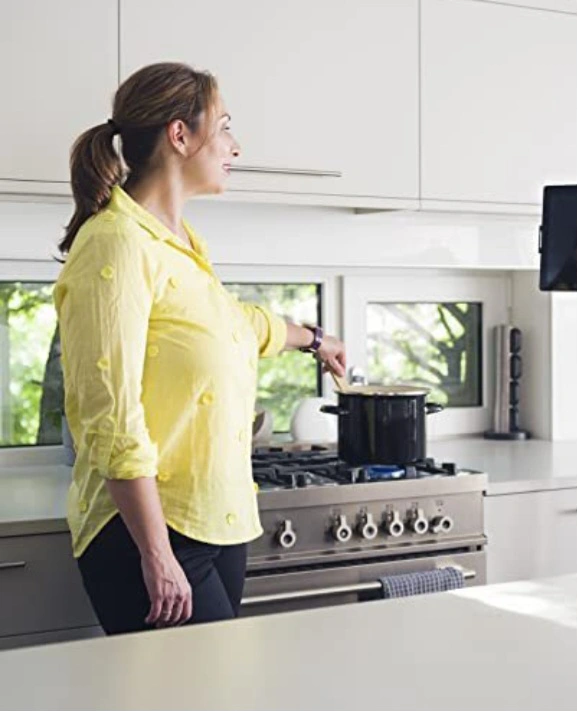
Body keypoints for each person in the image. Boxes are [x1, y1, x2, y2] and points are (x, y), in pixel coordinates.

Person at [54, 62, 347, 635]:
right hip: (148, 531)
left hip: (215, 519)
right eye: (225, 126)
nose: (236, 146)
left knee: (220, 681)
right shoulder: (115, 244)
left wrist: (312, 339)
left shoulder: (182, 243)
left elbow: (231, 325)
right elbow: (110, 418)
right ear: (179, 135)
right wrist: (156, 554)